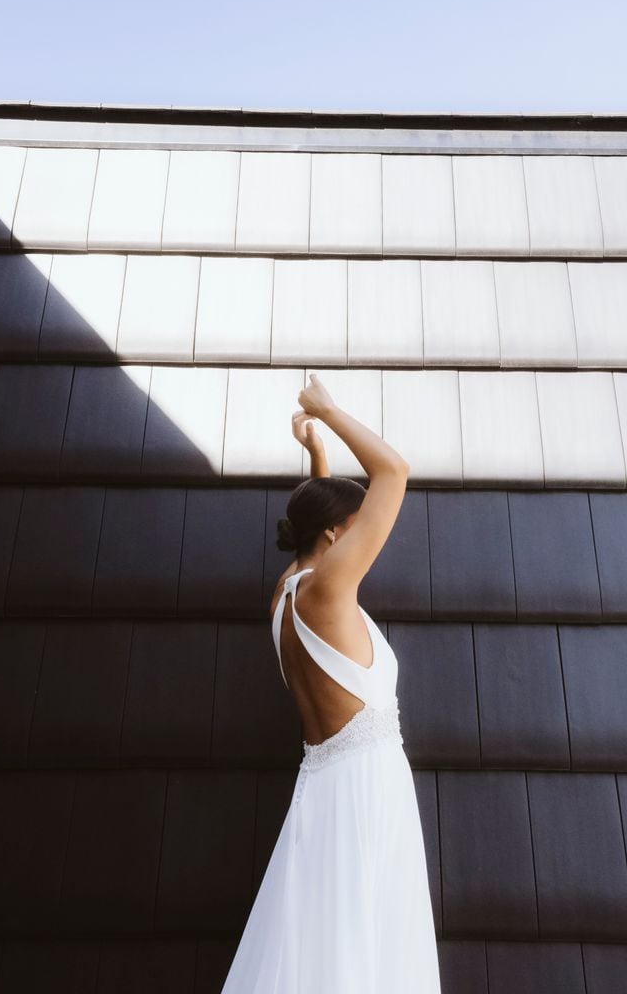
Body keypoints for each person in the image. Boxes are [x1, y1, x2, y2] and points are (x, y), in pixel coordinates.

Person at [220, 372, 441, 993]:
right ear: (337, 535)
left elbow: (311, 525)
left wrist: (316, 454)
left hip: (321, 790)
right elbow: (393, 471)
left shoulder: (285, 595)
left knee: (323, 939)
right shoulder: (330, 590)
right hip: (368, 786)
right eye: (355, 529)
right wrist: (330, 411)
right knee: (365, 945)